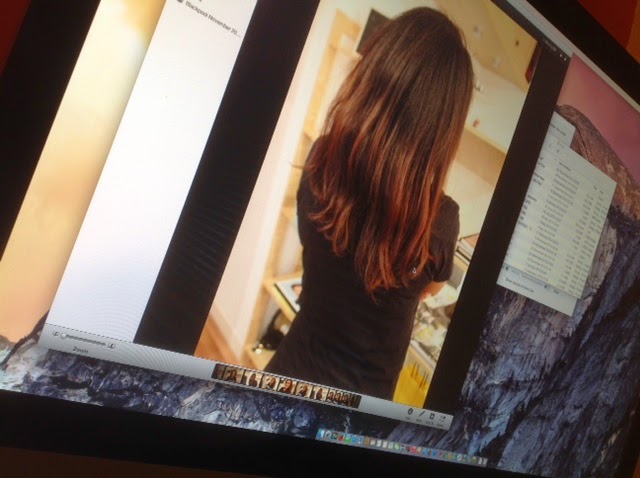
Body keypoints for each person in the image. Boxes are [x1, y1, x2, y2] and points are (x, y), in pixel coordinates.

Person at [265, 7, 473, 400]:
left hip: (286, 377)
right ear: (443, 127)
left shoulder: (322, 158)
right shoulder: (439, 220)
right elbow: (429, 290)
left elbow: (311, 237)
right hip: (357, 413)